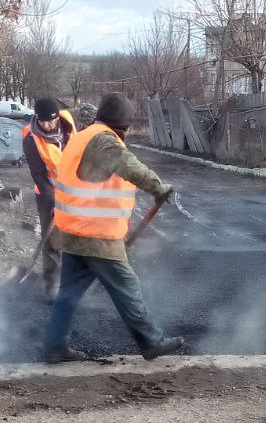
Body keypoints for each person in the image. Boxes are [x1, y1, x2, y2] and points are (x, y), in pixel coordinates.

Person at [42, 92, 182, 364]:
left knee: (68, 295)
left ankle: (55, 347)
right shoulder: (104, 140)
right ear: (123, 126)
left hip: (72, 233)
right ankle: (151, 342)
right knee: (127, 289)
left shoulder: (84, 135)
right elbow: (128, 164)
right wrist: (157, 186)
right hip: (96, 236)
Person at [22, 98, 76, 297]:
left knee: (76, 237)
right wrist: (55, 201)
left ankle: (73, 282)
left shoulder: (69, 126)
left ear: (57, 117)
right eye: (42, 121)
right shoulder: (31, 138)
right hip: (48, 194)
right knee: (52, 241)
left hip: (73, 194)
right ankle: (51, 286)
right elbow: (38, 175)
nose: (46, 125)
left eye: (50, 121)